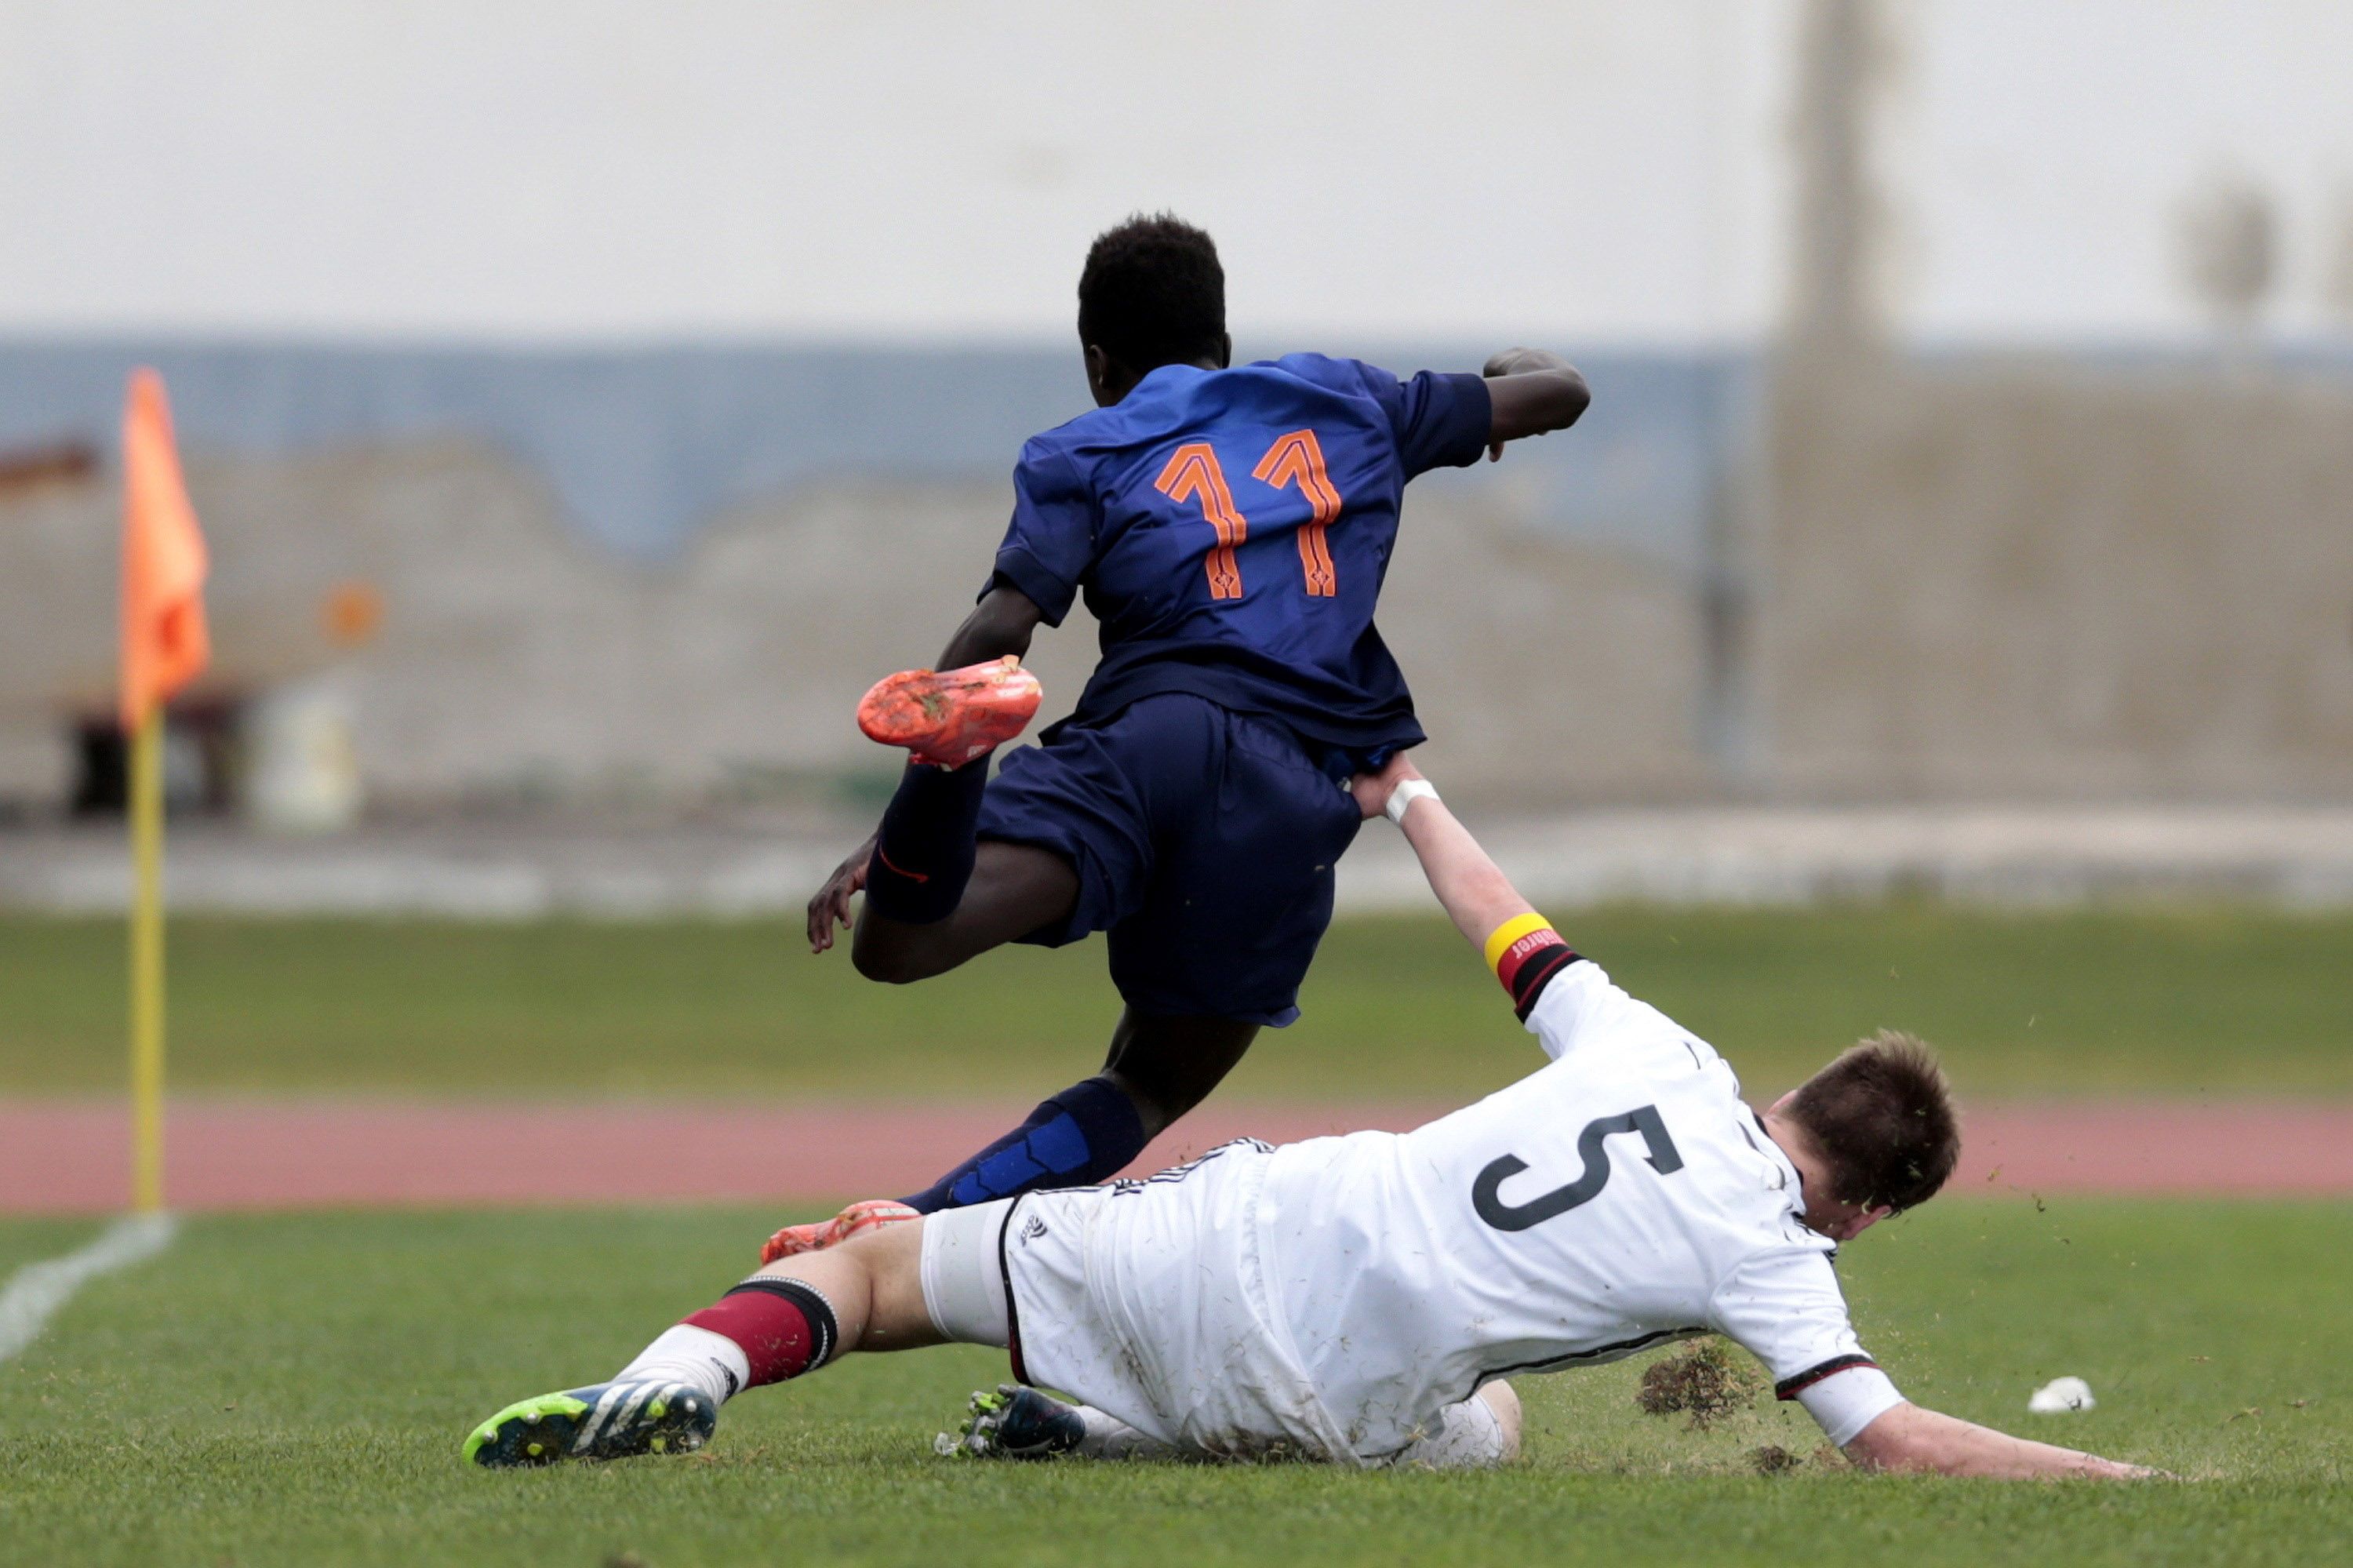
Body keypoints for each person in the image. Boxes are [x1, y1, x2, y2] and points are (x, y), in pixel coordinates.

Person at [465, 757, 2155, 1480]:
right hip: (1323, 1401)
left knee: (878, 1277)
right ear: (1861, 1207)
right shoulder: (1778, 1258)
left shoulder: (1659, 1052)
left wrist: (1405, 792)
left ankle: (668, 1382)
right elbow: (1898, 1445)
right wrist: (2120, 1475)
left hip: (1232, 1223)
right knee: (1486, 1422)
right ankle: (1122, 1437)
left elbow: (1513, 927)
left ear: (1792, 1093)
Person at [769, 211, 1591, 1258]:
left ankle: (946, 780)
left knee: (898, 940)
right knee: (1152, 1083)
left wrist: (913, 807)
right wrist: (1498, 375)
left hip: (1148, 741)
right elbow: (1560, 392)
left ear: (1100, 363)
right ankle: (915, 1228)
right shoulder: (1347, 397)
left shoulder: (1084, 446)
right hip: (1294, 787)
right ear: (1224, 342)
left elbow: (1000, 629)